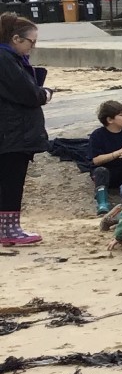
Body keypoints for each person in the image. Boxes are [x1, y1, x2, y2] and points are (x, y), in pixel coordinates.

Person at [0, 13, 52, 246]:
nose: (33, 46)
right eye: (32, 42)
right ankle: (9, 230)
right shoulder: (6, 60)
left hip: (10, 131)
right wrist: (45, 94)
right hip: (12, 132)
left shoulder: (9, 59)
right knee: (11, 180)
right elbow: (28, 94)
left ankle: (8, 228)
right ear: (16, 38)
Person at [87, 100, 122, 215]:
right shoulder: (97, 135)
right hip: (106, 171)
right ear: (110, 120)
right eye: (121, 115)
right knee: (101, 172)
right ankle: (103, 203)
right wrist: (117, 153)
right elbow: (96, 160)